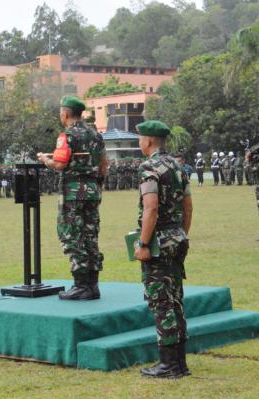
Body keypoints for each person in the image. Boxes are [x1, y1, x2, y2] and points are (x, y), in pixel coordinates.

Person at [134, 120, 193, 379]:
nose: (140, 143)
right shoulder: (178, 167)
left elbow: (151, 208)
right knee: (175, 300)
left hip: (159, 242)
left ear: (148, 141)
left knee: (161, 303)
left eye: (140, 139)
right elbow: (188, 207)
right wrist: (180, 234)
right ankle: (179, 362)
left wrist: (144, 244)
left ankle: (169, 365)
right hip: (177, 238)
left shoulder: (149, 167)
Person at [37, 95, 107, 300]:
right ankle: (93, 285)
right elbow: (104, 164)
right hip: (93, 190)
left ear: (65, 113)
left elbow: (59, 164)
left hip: (73, 192)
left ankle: (80, 285)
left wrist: (44, 160)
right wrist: (97, 186)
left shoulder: (67, 136)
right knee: (90, 235)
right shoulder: (95, 134)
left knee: (71, 235)